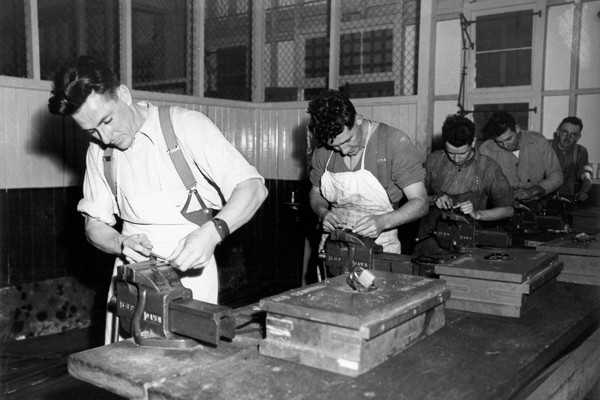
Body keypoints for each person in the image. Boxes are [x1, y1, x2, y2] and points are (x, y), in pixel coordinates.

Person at [48, 55, 268, 343]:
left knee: (184, 370)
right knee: (121, 365)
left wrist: (213, 233)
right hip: (131, 275)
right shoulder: (99, 151)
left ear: (124, 95)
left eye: (107, 120)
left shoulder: (186, 126)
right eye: (92, 130)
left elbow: (252, 188)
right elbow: (94, 226)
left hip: (190, 272)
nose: (105, 136)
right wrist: (121, 243)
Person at [307, 90, 428, 255]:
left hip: (380, 248)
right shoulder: (322, 151)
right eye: (334, 146)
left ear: (358, 120)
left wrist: (383, 222)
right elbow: (315, 193)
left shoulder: (393, 142)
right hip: (334, 247)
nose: (343, 151)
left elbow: (421, 202)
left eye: (348, 140)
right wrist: (322, 212)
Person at [414, 115, 514, 255]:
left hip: (465, 246)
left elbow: (508, 209)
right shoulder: (434, 160)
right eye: (450, 153)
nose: (456, 159)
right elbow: (416, 196)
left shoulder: (488, 168)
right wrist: (434, 199)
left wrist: (478, 214)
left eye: (462, 153)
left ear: (473, 142)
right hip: (429, 242)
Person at [479, 111, 563, 206]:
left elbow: (556, 176)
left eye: (508, 139)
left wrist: (535, 190)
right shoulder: (486, 149)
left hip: (536, 204)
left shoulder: (539, 142)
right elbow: (481, 182)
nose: (505, 145)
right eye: (499, 142)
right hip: (502, 207)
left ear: (517, 128)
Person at [549, 116, 593, 202]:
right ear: (558, 132)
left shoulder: (581, 151)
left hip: (567, 197)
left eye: (573, 134)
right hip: (542, 196)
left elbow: (585, 174)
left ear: (578, 137)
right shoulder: (545, 146)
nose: (567, 137)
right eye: (565, 132)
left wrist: (584, 191)